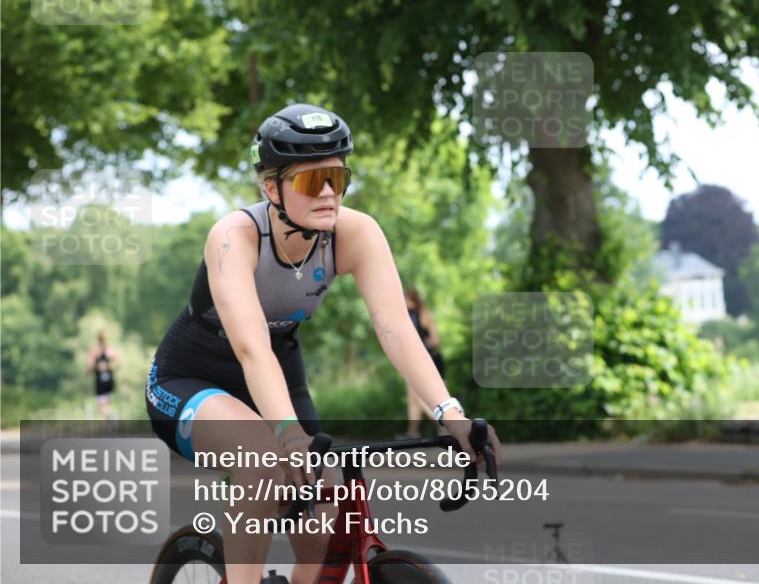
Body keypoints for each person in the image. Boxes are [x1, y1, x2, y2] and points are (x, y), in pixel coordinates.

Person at [144, 103, 501, 584]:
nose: (330, 192)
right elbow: (251, 348)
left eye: (338, 176)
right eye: (313, 182)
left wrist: (451, 416)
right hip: (193, 378)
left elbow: (395, 328)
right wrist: (288, 435)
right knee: (264, 458)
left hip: (280, 376)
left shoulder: (356, 233)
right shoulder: (234, 236)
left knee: (324, 519)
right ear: (271, 187)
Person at [403, 287, 446, 438]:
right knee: (413, 399)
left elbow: (436, 341)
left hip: (430, 360)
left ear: (414, 300)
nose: (405, 302)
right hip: (414, 362)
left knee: (420, 398)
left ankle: (445, 422)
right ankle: (412, 432)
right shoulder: (408, 316)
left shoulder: (424, 315)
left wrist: (422, 345)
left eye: (407, 299)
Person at [86, 331, 118, 421]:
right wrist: (109, 368)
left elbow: (90, 366)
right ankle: (108, 429)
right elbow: (119, 364)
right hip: (109, 380)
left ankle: (110, 416)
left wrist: (88, 372)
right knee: (107, 404)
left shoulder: (94, 351)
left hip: (100, 381)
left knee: (101, 405)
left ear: (97, 339)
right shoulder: (110, 350)